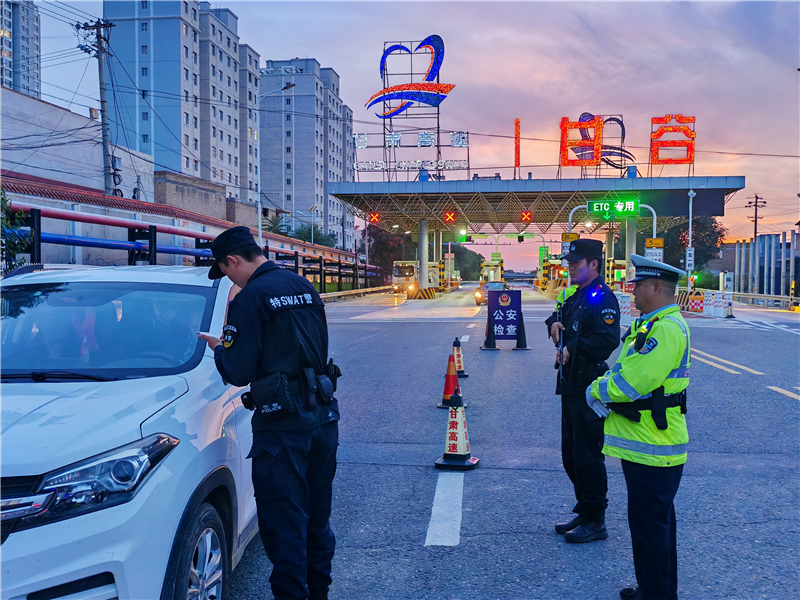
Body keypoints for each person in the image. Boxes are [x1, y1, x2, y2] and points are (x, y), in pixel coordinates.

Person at [198, 226, 340, 600]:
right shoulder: (304, 286)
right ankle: (319, 593)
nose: (229, 279)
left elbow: (238, 371)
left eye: (224, 271)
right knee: (317, 520)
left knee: (283, 526)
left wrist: (220, 349)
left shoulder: (250, 298)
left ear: (232, 261)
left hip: (282, 430)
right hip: (323, 418)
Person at [586, 254, 689, 600]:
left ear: (657, 287)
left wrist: (595, 390)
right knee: (652, 525)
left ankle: (657, 595)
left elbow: (632, 382)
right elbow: (622, 368)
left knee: (651, 528)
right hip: (648, 443)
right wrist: (603, 384)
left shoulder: (665, 329)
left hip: (655, 446)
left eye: (639, 286)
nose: (632, 292)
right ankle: (654, 590)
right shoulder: (651, 324)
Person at [545, 239, 620, 543]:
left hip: (589, 386)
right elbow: (559, 314)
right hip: (570, 384)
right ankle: (585, 510)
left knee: (588, 456)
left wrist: (573, 350)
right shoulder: (576, 294)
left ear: (594, 264)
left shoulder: (601, 297)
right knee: (571, 454)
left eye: (577, 263)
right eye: (570, 263)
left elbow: (607, 340)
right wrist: (553, 324)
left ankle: (596, 519)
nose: (571, 268)